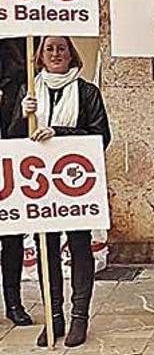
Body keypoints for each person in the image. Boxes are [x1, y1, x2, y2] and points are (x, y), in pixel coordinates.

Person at [9, 36, 111, 347]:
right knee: (46, 250)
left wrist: (60, 133)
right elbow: (12, 138)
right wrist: (21, 116)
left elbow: (101, 135)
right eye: (49, 48)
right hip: (40, 186)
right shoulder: (29, 91)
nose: (56, 53)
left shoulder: (87, 92)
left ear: (71, 55)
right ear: (39, 55)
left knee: (80, 247)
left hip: (75, 185)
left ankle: (80, 316)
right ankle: (54, 316)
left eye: (61, 48)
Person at [0, 39, 33, 327]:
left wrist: (22, 114)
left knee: (11, 240)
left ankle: (14, 302)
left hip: (11, 165)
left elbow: (17, 132)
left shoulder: (19, 77)